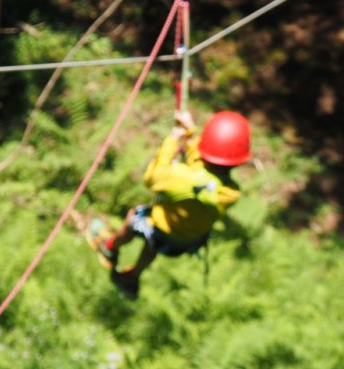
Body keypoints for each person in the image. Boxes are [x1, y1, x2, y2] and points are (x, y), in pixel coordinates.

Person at [96, 109, 251, 298]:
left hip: (162, 232)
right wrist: (190, 134)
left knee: (133, 218)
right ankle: (134, 274)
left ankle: (109, 248)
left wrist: (172, 140)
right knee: (153, 242)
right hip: (186, 241)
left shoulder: (180, 177)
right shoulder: (231, 192)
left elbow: (152, 178)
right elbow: (204, 173)